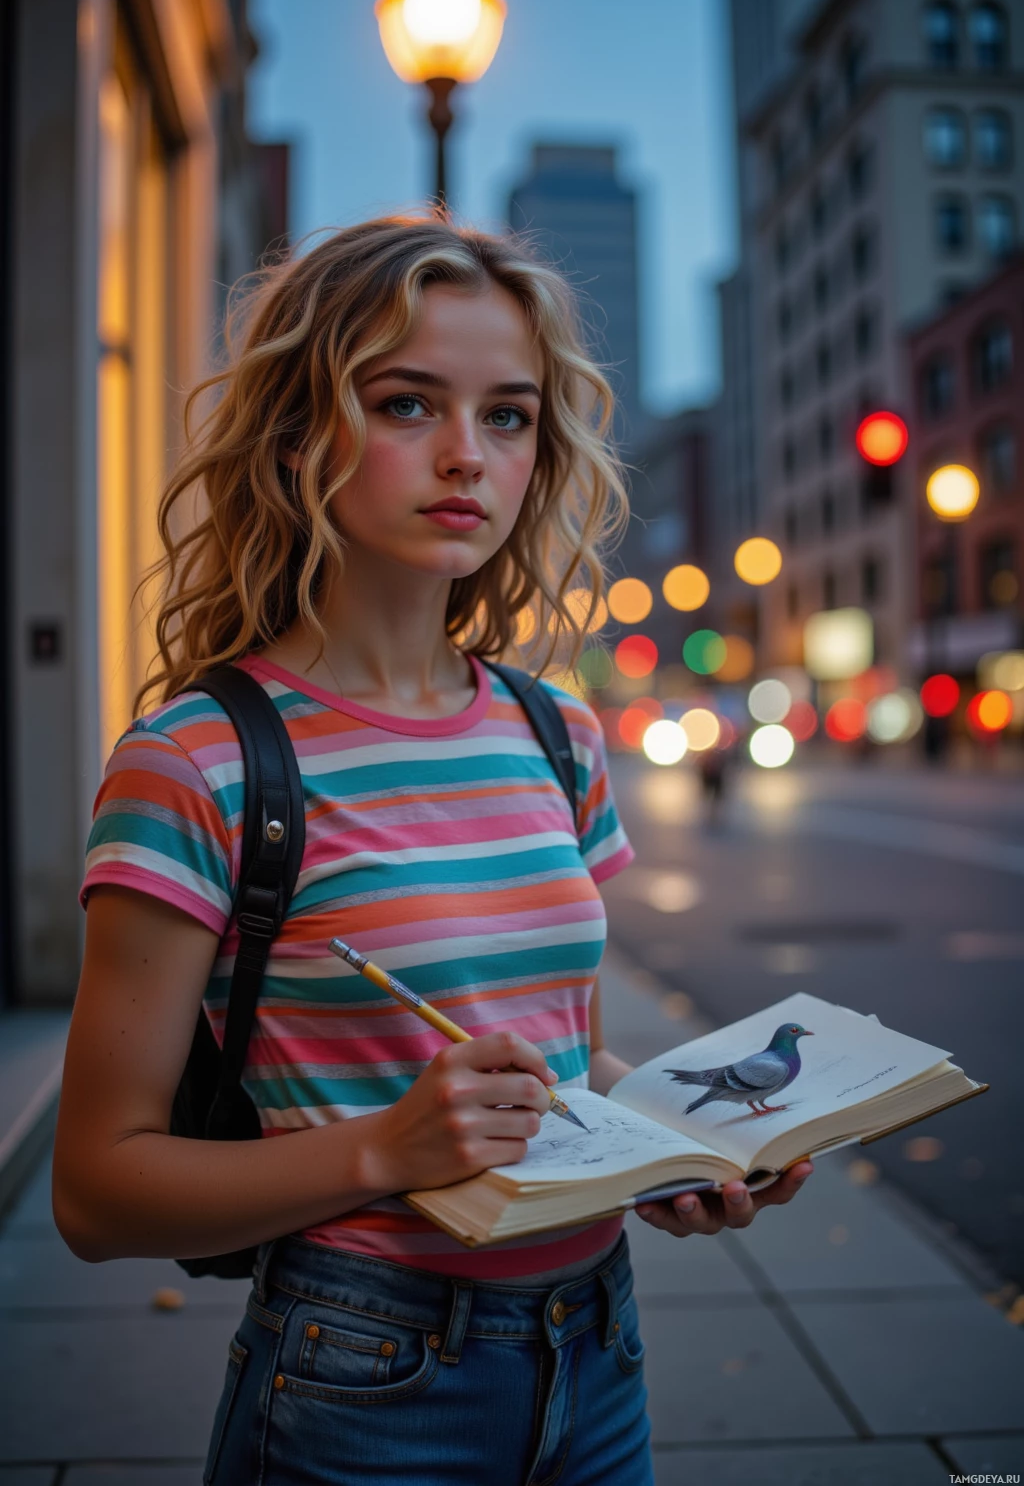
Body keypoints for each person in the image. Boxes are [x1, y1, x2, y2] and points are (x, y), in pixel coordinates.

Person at [53, 216, 813, 1486]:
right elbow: (94, 1190)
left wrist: (671, 1146)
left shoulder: (553, 728)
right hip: (362, 1375)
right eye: (408, 403)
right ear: (300, 432)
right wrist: (379, 1152)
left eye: (508, 416)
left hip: (601, 1347)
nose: (467, 455)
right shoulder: (198, 761)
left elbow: (552, 1055)